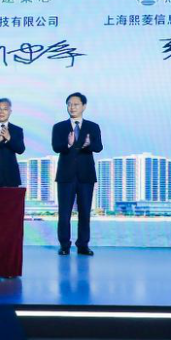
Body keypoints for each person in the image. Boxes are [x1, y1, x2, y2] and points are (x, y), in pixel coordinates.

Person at [52, 92, 103, 256]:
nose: (72, 107)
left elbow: (99, 147)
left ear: (84, 106)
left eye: (75, 104)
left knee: (85, 213)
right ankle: (64, 245)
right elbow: (56, 147)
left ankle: (83, 245)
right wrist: (68, 144)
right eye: (69, 104)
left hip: (86, 176)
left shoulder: (93, 127)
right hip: (65, 176)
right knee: (64, 214)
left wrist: (89, 144)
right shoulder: (59, 127)